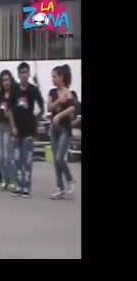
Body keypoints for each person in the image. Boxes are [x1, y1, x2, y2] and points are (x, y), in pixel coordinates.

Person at [10, 62, 44, 198]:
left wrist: (36, 121)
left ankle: (26, 187)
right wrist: (12, 126)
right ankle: (18, 186)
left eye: (26, 72)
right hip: (17, 130)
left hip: (29, 131)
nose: (24, 74)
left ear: (29, 73)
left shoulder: (34, 90)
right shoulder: (14, 89)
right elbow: (9, 109)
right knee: (17, 159)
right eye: (21, 72)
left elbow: (42, 108)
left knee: (27, 160)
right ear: (18, 74)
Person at [47, 65, 77, 199]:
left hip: (65, 129)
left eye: (54, 76)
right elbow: (49, 107)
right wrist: (59, 100)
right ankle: (60, 188)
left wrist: (59, 115)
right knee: (55, 160)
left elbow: (72, 109)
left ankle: (70, 179)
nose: (52, 79)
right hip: (54, 129)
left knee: (60, 157)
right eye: (52, 76)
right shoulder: (52, 92)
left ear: (61, 77)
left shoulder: (68, 92)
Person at [0, 70, 18, 192]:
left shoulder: (15, 95)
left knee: (8, 155)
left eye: (8, 79)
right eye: (3, 80)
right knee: (0, 155)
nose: (6, 82)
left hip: (9, 126)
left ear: (11, 80)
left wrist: (14, 127)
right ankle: (4, 179)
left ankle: (13, 180)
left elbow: (13, 112)